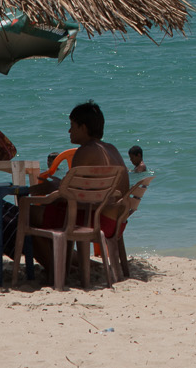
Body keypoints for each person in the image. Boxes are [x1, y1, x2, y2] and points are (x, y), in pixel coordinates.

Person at [23, 102, 128, 274]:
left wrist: (48, 188)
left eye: (72, 126)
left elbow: (67, 196)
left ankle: (56, 269)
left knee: (26, 214)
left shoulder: (84, 151)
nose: (69, 131)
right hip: (116, 223)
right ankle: (71, 262)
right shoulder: (111, 149)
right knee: (48, 210)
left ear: (83, 127)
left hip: (92, 222)